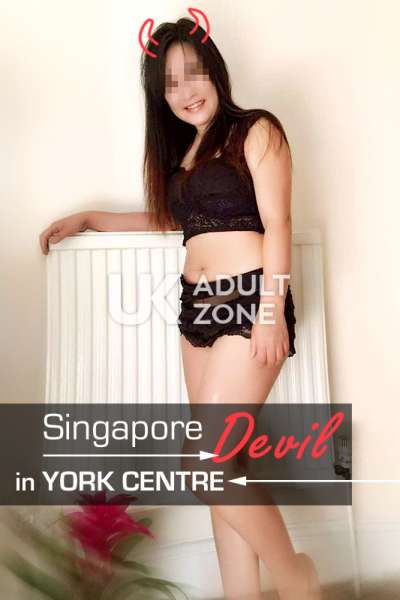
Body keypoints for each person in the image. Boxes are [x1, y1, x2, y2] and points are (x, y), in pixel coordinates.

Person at [39, 16, 322, 600]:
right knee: (225, 464)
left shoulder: (256, 129)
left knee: (206, 462)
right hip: (196, 312)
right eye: (170, 83)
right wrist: (90, 217)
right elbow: (171, 219)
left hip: (248, 299)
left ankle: (296, 576)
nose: (186, 91)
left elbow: (279, 221)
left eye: (194, 74)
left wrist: (272, 309)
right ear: (159, 96)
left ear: (215, 72)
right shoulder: (186, 154)